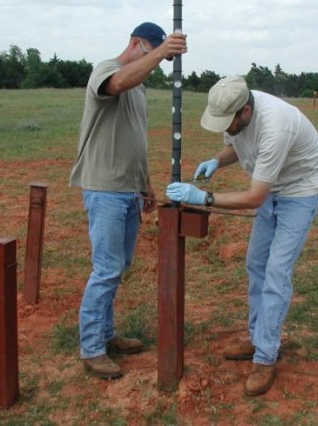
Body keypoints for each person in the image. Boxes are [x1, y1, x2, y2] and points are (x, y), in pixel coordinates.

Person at [166, 75, 318, 396]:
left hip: (300, 190)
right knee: (256, 264)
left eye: (230, 122)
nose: (227, 129)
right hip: (272, 187)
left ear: (246, 112)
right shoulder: (239, 115)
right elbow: (236, 147)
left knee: (276, 272)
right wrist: (217, 161)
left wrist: (205, 198)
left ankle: (266, 356)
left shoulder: (276, 127)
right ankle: (258, 338)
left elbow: (255, 197)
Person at [70, 22, 188, 379]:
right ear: (137, 43)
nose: (154, 62)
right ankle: (91, 348)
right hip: (104, 188)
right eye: (150, 52)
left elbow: (135, 139)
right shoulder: (106, 70)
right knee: (106, 269)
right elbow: (118, 83)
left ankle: (107, 334)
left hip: (129, 188)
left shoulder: (139, 90)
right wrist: (161, 52)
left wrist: (146, 183)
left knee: (118, 267)